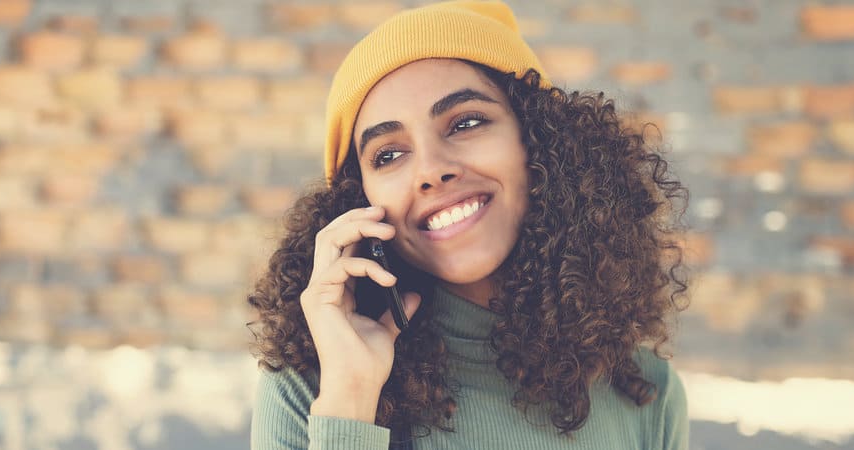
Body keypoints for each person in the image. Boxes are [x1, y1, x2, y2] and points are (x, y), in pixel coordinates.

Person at [247, 1, 690, 449]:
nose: (430, 170)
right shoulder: (312, 387)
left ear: (539, 140)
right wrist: (351, 399)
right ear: (358, 201)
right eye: (388, 154)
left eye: (466, 122)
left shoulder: (646, 393)